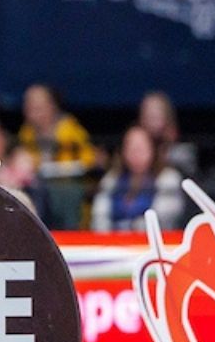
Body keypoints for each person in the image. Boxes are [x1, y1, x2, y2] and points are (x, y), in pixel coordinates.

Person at [17, 83, 98, 229]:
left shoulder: (70, 129)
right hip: (40, 193)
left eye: (39, 106)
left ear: (52, 105)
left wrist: (61, 168)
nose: (33, 111)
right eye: (29, 105)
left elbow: (90, 160)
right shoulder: (26, 134)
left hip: (70, 191)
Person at [91, 126, 185, 232]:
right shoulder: (112, 179)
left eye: (141, 148)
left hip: (154, 242)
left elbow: (164, 219)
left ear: (152, 149)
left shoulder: (168, 178)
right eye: (131, 148)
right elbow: (99, 217)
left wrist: (128, 229)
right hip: (112, 244)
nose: (135, 154)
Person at [137, 90, 198, 177]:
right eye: (148, 113)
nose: (151, 117)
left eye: (156, 113)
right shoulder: (133, 152)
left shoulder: (182, 153)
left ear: (168, 116)